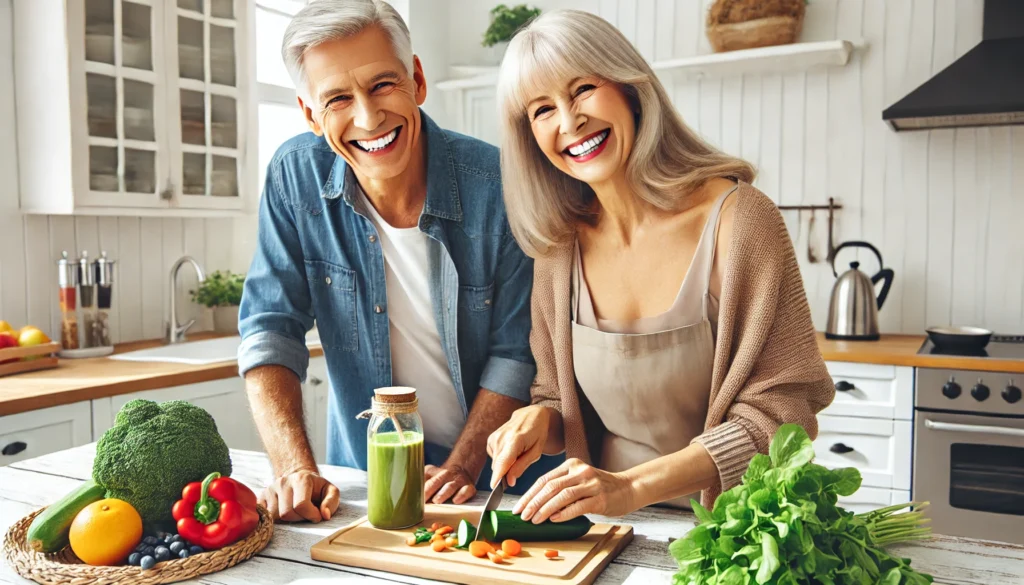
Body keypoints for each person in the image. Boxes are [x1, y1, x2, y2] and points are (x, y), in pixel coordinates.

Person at [486, 9, 835, 524]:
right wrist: (540, 417)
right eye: (542, 110)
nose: (568, 121)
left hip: (740, 529)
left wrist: (629, 487)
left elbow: (783, 413)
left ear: (630, 87)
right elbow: (560, 397)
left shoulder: (740, 221)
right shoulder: (559, 250)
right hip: (614, 530)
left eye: (582, 88)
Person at [238, 0, 556, 523]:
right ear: (310, 115)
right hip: (366, 485)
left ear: (417, 80)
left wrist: (464, 465)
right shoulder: (293, 177)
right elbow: (270, 329)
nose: (368, 117)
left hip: (501, 484)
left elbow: (515, 352)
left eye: (383, 85)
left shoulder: (499, 184)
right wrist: (292, 468)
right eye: (337, 98)